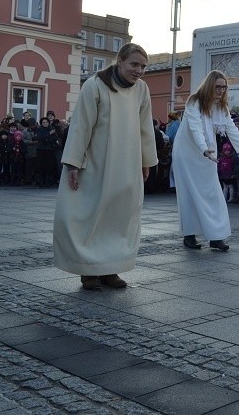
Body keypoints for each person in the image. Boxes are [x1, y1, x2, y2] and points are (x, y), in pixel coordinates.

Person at [53, 43, 158, 291]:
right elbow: (81, 125)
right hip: (97, 163)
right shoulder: (95, 85)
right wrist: (73, 164)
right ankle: (87, 271)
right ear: (119, 61)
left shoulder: (142, 89)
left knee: (119, 216)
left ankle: (111, 268)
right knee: (90, 215)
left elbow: (145, 129)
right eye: (134, 64)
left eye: (143, 66)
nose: (139, 71)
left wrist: (146, 161)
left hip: (127, 163)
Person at [172, 70, 239, 252]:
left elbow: (233, 131)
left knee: (214, 193)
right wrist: (203, 148)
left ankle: (216, 237)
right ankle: (189, 235)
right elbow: (196, 127)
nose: (221, 90)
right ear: (209, 86)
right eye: (217, 86)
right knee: (189, 194)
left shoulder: (222, 107)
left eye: (224, 87)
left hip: (209, 152)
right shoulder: (194, 101)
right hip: (189, 153)